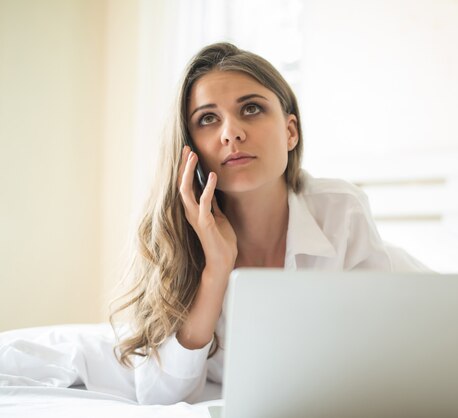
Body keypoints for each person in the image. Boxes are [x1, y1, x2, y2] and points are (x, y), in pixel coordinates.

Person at [110, 42, 429, 405]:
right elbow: (158, 397)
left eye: (251, 109)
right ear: (190, 146)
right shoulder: (175, 237)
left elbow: (385, 352)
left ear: (290, 131)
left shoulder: (341, 211)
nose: (231, 133)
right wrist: (215, 271)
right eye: (208, 118)